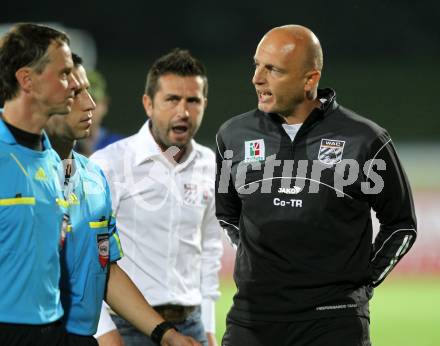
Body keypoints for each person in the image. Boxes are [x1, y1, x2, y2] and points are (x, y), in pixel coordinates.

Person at [215, 24, 417, 346]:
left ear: (310, 80)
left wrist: (364, 284)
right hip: (252, 320)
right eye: (256, 65)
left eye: (273, 69)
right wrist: (261, 261)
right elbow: (227, 213)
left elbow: (401, 225)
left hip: (333, 321)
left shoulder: (364, 140)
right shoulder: (233, 135)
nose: (257, 78)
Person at [45, 53, 201, 346]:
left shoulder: (92, 177)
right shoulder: (11, 169)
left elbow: (104, 268)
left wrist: (164, 333)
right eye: (75, 93)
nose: (90, 104)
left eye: (88, 92)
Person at [91, 49, 223, 346]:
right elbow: (87, 258)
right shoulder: (109, 164)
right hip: (126, 329)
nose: (183, 112)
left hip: (192, 328)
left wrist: (208, 327)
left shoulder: (210, 165)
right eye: (172, 99)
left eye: (193, 100)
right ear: (148, 104)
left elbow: (210, 251)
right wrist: (103, 332)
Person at [0, 23, 79, 346]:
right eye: (64, 74)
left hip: (52, 330)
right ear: (27, 80)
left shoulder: (53, 159)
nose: (75, 84)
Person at [75, 69, 123, 157]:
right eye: (80, 100)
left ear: (105, 104)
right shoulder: (62, 145)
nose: (87, 106)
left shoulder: (119, 146)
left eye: (94, 100)